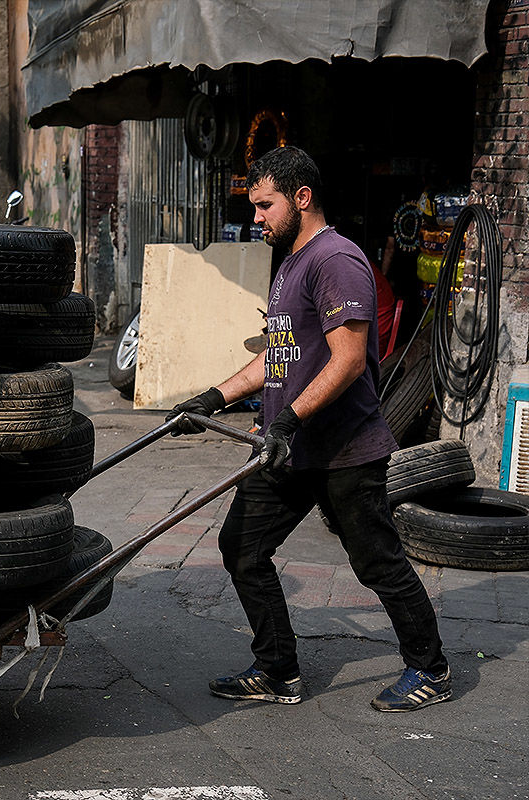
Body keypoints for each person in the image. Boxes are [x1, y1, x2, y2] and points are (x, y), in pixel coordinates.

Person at [167, 147, 448, 712]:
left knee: (376, 562)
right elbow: (279, 357)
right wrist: (213, 397)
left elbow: (345, 361)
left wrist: (290, 418)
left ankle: (430, 668)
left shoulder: (336, 260)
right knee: (242, 547)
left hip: (343, 447)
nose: (257, 218)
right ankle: (278, 670)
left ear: (302, 198)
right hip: (289, 449)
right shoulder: (291, 262)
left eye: (265, 205)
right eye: (254, 207)